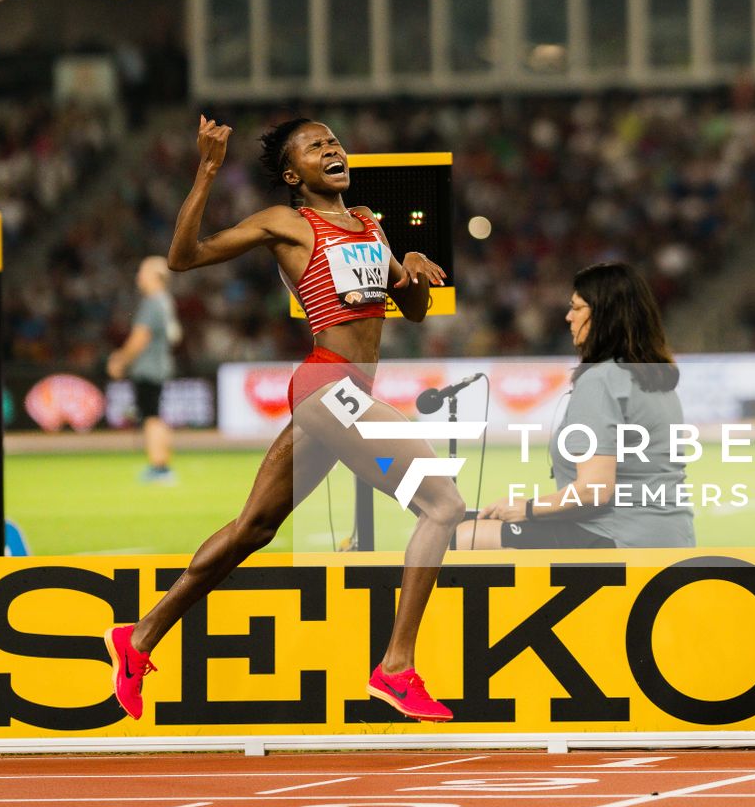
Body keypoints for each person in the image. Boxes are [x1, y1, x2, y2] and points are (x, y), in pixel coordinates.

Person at [103, 115, 465, 723]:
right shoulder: (287, 223)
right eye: (316, 145)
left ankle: (136, 640)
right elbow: (183, 256)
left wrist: (411, 263)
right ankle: (397, 669)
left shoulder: (370, 223)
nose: (333, 148)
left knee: (252, 530)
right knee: (444, 505)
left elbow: (415, 310)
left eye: (335, 141)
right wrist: (208, 171)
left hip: (344, 393)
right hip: (329, 384)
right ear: (293, 174)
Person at [456, 261, 695, 550]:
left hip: (620, 536)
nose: (568, 317)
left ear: (605, 315)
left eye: (577, 308)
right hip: (671, 535)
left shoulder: (601, 380)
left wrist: (528, 509)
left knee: (464, 537)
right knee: (478, 525)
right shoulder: (655, 377)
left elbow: (595, 491)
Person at [106, 255, 181, 483]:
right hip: (161, 364)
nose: (139, 277)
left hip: (148, 367)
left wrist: (120, 359)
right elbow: (175, 335)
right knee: (156, 415)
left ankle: (158, 467)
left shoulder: (151, 302)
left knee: (150, 416)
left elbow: (140, 337)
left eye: (143, 272)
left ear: (154, 277)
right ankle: (163, 463)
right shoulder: (166, 301)